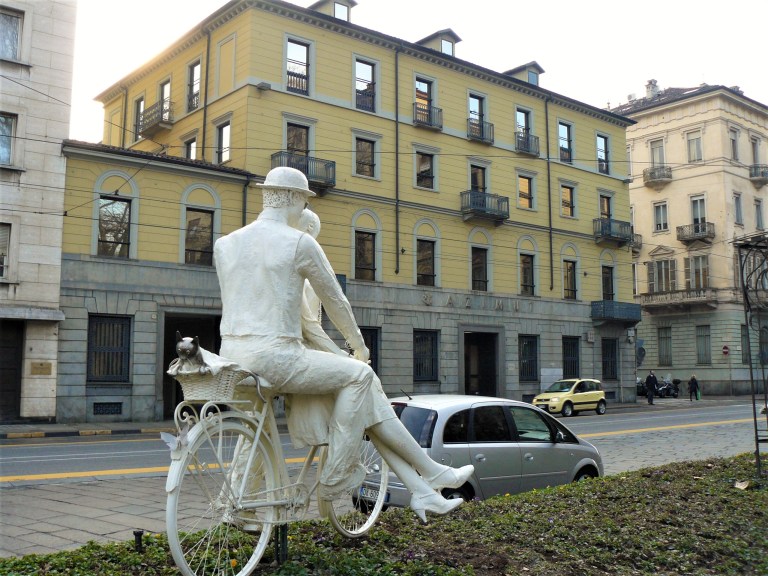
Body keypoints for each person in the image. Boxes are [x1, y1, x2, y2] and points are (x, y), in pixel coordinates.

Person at [213, 167, 473, 522]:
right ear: (290, 198)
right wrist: (358, 347)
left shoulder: (224, 244)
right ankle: (336, 476)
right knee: (359, 378)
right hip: (276, 358)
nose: (304, 206)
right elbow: (335, 301)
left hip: (230, 358)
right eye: (303, 199)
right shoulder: (300, 243)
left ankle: (239, 510)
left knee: (253, 433)